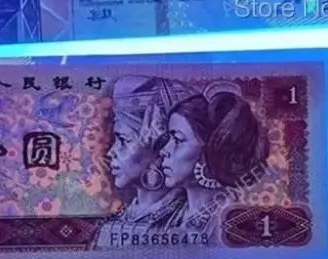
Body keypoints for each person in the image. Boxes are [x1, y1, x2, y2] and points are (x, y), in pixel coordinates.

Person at [100, 76, 270, 246]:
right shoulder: (173, 216)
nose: (164, 150)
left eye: (178, 140)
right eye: (168, 138)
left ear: (209, 150)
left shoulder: (228, 222)